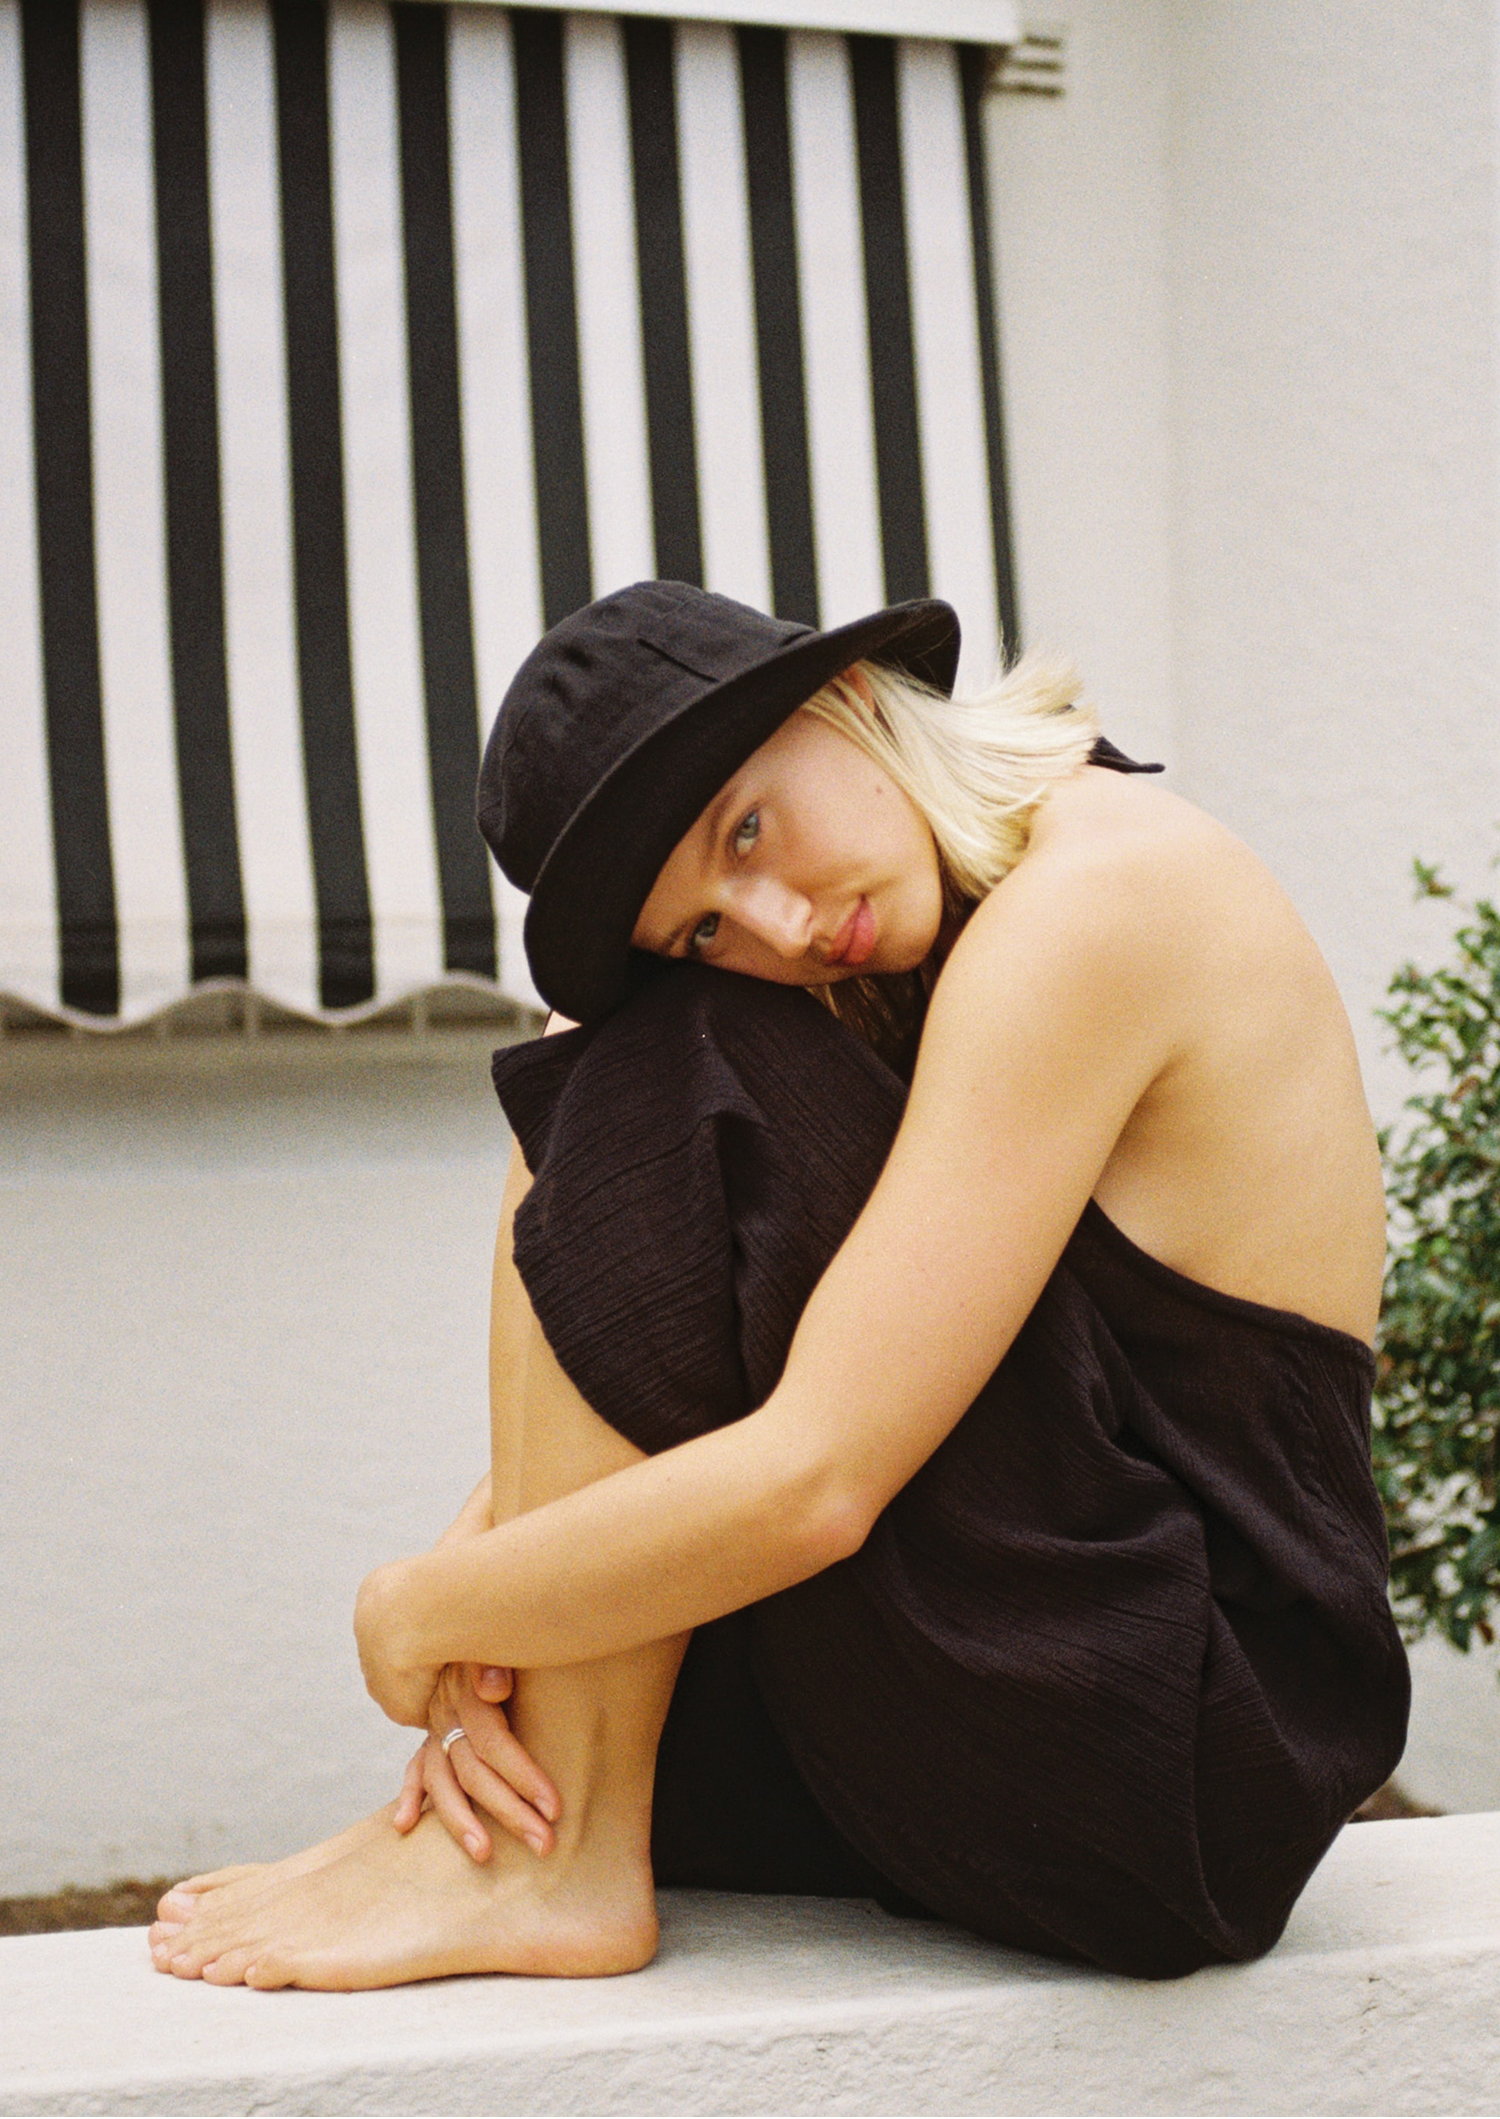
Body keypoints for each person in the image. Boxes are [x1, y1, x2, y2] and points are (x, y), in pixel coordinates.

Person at [150, 580, 1408, 1992]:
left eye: (743, 828)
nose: (772, 922)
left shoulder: (1100, 900)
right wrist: (495, 1580)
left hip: (1186, 1748)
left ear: (848, 699)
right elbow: (725, 1335)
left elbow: (819, 1475)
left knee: (656, 1068)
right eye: (701, 927)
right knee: (603, 1044)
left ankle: (548, 1860)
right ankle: (526, 1839)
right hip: (1039, 1674)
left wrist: (424, 1609)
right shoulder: (905, 948)